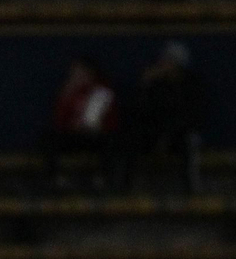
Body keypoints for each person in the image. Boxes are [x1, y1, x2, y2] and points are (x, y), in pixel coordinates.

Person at [122, 41, 203, 193]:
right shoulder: (156, 84)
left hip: (178, 134)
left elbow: (192, 116)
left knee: (189, 141)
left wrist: (168, 135)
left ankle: (192, 191)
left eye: (168, 60)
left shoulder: (192, 85)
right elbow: (140, 112)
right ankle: (126, 190)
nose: (163, 63)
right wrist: (145, 85)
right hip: (156, 133)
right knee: (131, 138)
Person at [43, 56, 118, 191]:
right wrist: (65, 97)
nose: (75, 75)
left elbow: (110, 121)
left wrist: (94, 127)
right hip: (74, 136)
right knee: (49, 138)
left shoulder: (102, 91)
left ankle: (104, 180)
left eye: (79, 71)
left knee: (111, 141)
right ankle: (56, 181)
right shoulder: (69, 91)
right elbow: (59, 123)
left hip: (96, 137)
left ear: (90, 72)